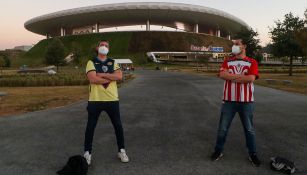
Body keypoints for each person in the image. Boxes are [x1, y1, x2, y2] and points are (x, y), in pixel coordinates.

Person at [211, 39, 261, 167]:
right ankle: (218, 151)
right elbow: (222, 75)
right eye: (234, 44)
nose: (234, 46)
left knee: (249, 129)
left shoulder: (252, 62)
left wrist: (231, 76)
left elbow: (251, 78)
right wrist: (241, 78)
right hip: (229, 101)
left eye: (237, 44)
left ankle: (253, 153)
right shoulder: (228, 61)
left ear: (244, 46)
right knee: (222, 128)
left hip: (247, 102)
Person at [83, 40, 129, 165]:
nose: (104, 47)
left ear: (109, 48)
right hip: (95, 100)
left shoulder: (113, 62)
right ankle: (87, 153)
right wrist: (110, 76)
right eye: (102, 45)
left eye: (106, 45)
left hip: (112, 99)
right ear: (97, 47)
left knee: (118, 126)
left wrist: (102, 74)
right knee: (90, 127)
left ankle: (121, 150)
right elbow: (93, 79)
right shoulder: (91, 62)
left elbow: (119, 77)